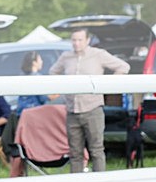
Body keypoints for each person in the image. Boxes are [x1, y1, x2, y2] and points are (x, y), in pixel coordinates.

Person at [49, 29, 129, 172]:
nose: (76, 43)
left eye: (80, 40)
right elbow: (53, 72)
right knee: (75, 152)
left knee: (96, 149)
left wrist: (108, 84)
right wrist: (60, 90)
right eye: (74, 40)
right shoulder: (66, 57)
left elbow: (123, 66)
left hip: (92, 108)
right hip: (72, 110)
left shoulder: (98, 54)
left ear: (87, 40)